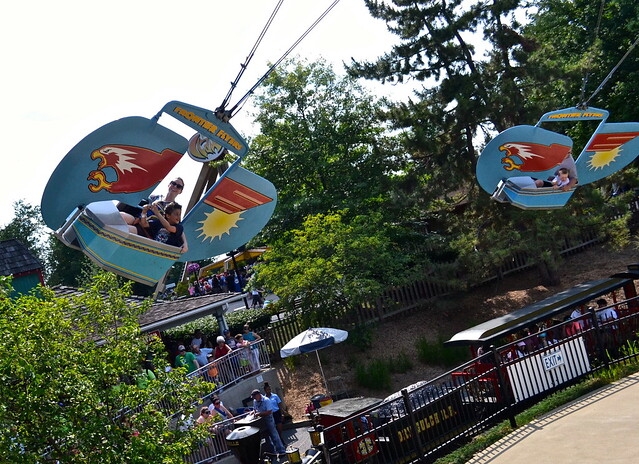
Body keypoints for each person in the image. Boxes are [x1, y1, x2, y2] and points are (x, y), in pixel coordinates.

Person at [121, 177, 185, 230]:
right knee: (121, 216)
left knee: (125, 229)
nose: (175, 186)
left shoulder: (175, 208)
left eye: (178, 186)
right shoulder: (155, 197)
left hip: (150, 228)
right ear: (169, 185)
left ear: (180, 191)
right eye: (173, 183)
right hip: (140, 218)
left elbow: (177, 226)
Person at [250, 389, 286, 455]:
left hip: (268, 419)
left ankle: (281, 451)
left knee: (274, 435)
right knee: (266, 437)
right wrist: (253, 412)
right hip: (261, 420)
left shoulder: (266, 400)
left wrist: (259, 414)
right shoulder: (255, 401)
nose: (254, 399)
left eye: (255, 397)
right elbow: (255, 409)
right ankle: (272, 452)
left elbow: (269, 411)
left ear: (258, 395)